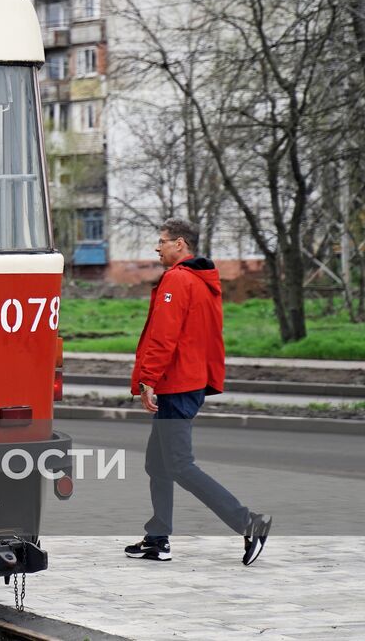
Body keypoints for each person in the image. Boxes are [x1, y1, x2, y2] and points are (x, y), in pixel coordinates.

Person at [123, 218, 272, 565]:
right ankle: (157, 538)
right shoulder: (202, 281)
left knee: (178, 465)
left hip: (176, 384)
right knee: (157, 464)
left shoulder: (177, 279)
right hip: (187, 381)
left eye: (162, 241)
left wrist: (148, 379)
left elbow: (164, 336)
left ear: (180, 244)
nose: (157, 248)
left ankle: (249, 522)